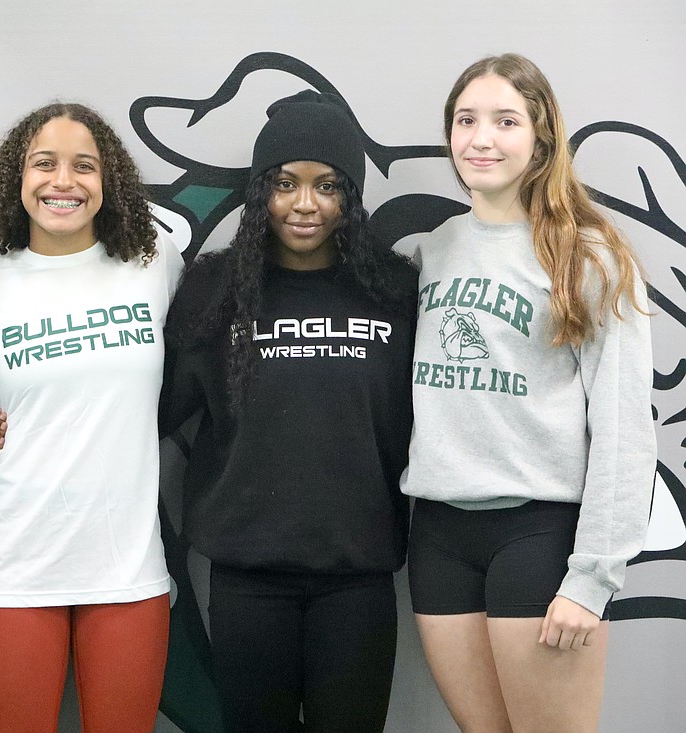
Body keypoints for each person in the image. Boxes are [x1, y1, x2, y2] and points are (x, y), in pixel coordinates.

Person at [399, 53, 656, 733]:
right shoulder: (436, 249)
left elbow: (626, 428)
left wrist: (593, 575)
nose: (481, 138)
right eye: (466, 120)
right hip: (440, 535)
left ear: (541, 138)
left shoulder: (590, 254)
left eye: (505, 121)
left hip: (538, 534)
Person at [159, 91, 418, 732]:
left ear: (350, 197)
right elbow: (147, 411)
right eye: (285, 184)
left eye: (328, 186)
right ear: (260, 193)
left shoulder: (395, 292)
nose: (305, 204)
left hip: (356, 577)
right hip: (247, 578)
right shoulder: (212, 293)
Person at [0, 102, 183, 733]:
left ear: (109, 185)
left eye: (84, 166)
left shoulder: (154, 265)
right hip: (18, 560)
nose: (63, 181)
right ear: (15, 180)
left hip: (128, 565)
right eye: (43, 163)